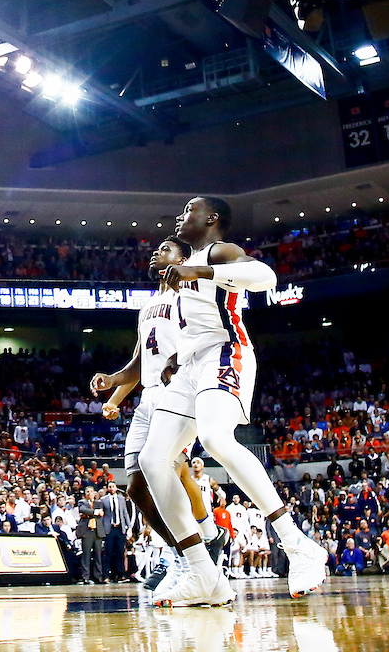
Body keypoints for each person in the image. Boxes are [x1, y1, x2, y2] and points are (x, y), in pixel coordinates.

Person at [139, 197, 326, 606]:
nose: (180, 216)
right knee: (152, 461)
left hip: (227, 353)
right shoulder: (182, 268)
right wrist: (175, 356)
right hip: (190, 367)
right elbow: (196, 324)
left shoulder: (218, 252)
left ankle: (298, 545)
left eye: (189, 210)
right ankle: (205, 575)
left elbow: (266, 277)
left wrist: (199, 269)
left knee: (215, 438)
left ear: (211, 219)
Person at [91, 236, 227, 594]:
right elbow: (138, 364)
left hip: (178, 391)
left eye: (166, 249)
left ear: (183, 259)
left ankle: (207, 538)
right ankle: (182, 551)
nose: (157, 252)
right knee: (136, 487)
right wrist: (113, 382)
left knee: (174, 467)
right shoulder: (146, 307)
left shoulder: (192, 296)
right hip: (148, 397)